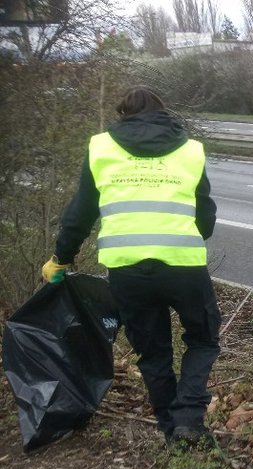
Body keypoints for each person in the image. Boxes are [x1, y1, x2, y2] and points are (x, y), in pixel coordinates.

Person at [41, 86, 221, 449]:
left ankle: (172, 430)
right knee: (202, 338)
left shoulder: (101, 147)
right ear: (163, 112)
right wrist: (191, 232)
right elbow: (205, 212)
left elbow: (80, 213)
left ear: (123, 114)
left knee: (153, 352)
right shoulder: (189, 150)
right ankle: (187, 418)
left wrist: (61, 258)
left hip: (127, 269)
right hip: (182, 265)